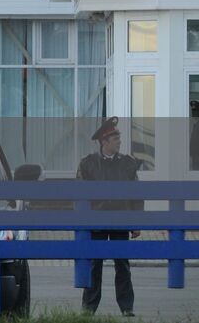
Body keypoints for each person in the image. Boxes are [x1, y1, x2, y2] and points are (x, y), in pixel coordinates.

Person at [77, 116, 143, 317]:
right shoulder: (88, 164)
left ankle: (127, 307)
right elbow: (80, 196)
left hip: (120, 221)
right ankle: (88, 309)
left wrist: (136, 223)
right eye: (115, 139)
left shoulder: (128, 164)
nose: (119, 142)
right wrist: (83, 224)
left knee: (122, 264)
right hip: (96, 222)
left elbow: (136, 195)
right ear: (104, 141)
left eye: (119, 138)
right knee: (94, 265)